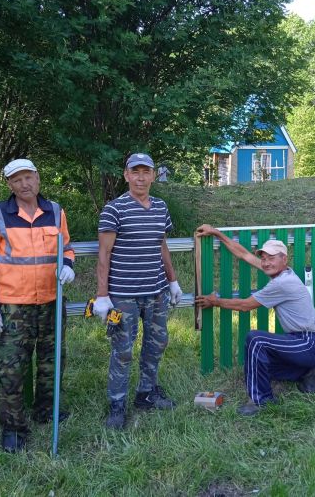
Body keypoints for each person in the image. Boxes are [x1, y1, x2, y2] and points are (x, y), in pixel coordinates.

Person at [0, 158, 76, 453]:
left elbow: (67, 247)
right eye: (17, 180)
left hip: (50, 302)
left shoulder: (56, 212)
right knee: (12, 369)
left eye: (29, 177)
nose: (24, 184)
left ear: (38, 178)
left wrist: (68, 264)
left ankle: (46, 410)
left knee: (51, 362)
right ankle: (13, 428)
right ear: (9, 184)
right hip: (13, 306)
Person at [195, 225, 315, 416]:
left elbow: (245, 306)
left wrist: (215, 301)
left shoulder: (283, 283)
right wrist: (217, 233)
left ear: (284, 259)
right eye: (264, 258)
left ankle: (261, 400)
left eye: (271, 258)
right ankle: (311, 373)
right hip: (302, 344)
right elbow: (244, 255)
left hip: (308, 344)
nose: (265, 262)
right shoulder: (280, 272)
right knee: (258, 368)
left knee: (256, 340)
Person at [93, 153, 183, 430]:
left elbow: (162, 246)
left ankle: (147, 393)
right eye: (136, 172)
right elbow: (104, 254)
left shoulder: (160, 207)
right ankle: (117, 404)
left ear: (154, 176)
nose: (141, 177)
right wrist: (102, 295)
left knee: (156, 345)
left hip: (156, 292)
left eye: (146, 172)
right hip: (124, 295)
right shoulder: (114, 209)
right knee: (122, 350)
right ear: (126, 175)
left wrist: (173, 281)